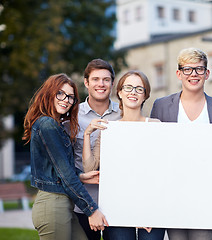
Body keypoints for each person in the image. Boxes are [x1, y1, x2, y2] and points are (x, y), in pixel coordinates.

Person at [150, 47, 212, 240]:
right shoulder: (161, 106)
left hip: (206, 196)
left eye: (199, 69)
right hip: (173, 195)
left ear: (207, 74)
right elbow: (153, 151)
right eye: (187, 69)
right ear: (179, 74)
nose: (193, 74)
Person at [22, 73, 108, 240]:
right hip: (53, 205)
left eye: (71, 97)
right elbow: (65, 174)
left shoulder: (56, 126)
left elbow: (58, 168)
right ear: (49, 93)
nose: (66, 100)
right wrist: (92, 210)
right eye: (60, 93)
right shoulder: (47, 124)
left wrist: (82, 175)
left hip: (63, 205)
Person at [83, 70, 164, 240]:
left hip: (151, 209)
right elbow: (90, 167)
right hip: (117, 209)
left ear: (145, 95)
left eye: (139, 89)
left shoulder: (156, 126)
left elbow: (161, 172)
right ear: (119, 92)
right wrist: (87, 134)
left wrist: (148, 210)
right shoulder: (109, 129)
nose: (133, 92)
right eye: (128, 87)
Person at [73, 59, 122, 240]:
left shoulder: (125, 113)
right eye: (95, 79)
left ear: (112, 82)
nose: (101, 84)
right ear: (86, 82)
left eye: (106, 79)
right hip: (82, 204)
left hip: (118, 203)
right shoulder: (73, 116)